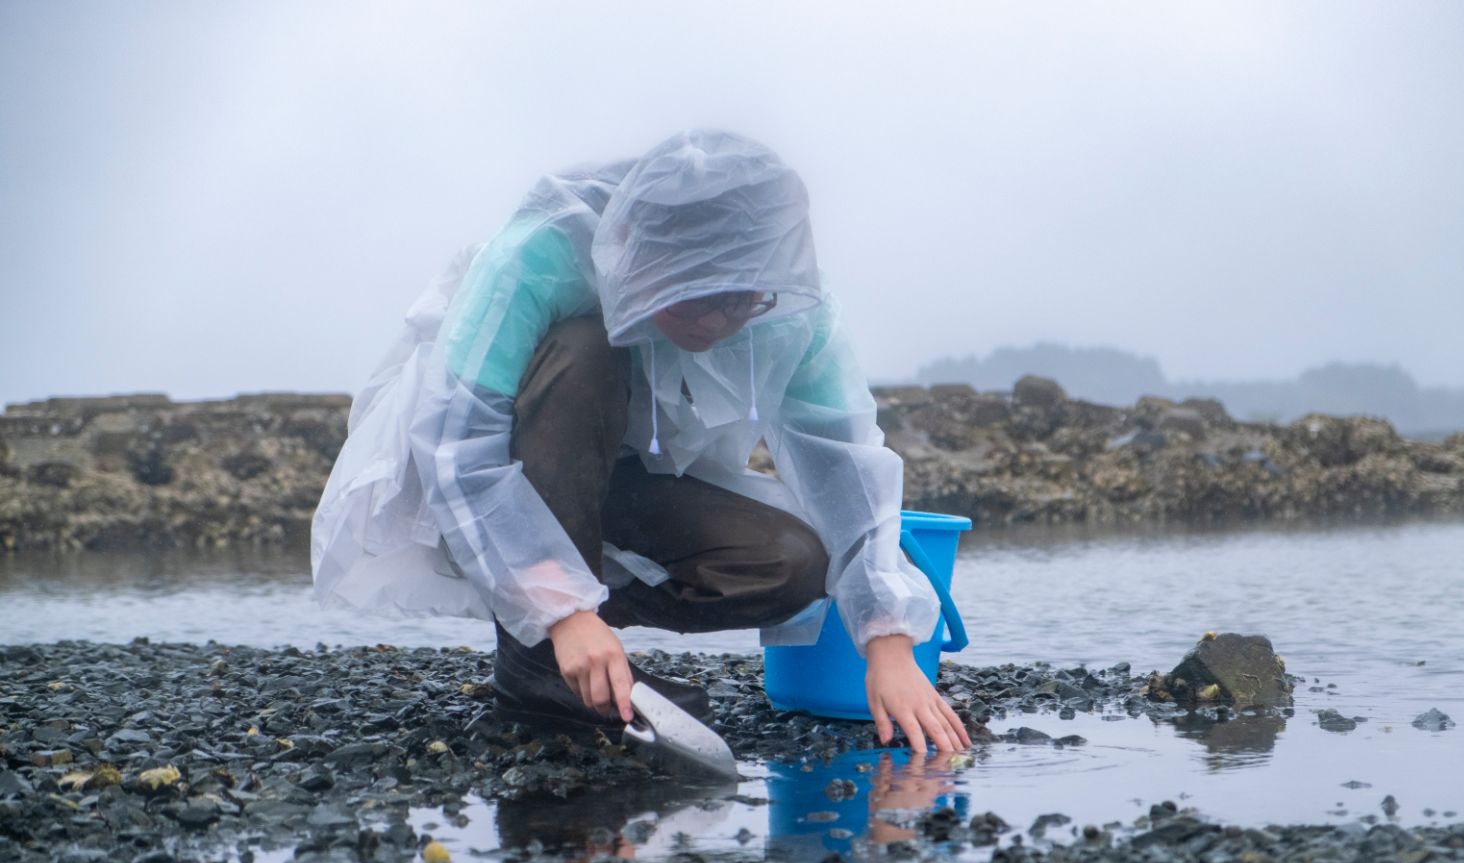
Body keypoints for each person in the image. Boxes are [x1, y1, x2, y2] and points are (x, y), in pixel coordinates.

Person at [311, 129, 970, 754]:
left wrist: (889, 641)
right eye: (698, 298)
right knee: (583, 346)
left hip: (625, 480)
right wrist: (561, 615)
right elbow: (458, 447)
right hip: (512, 464)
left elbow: (846, 466)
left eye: (742, 304)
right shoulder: (541, 254)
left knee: (795, 563)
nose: (718, 323)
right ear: (638, 254)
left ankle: (576, 646)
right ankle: (540, 663)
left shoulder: (796, 308)